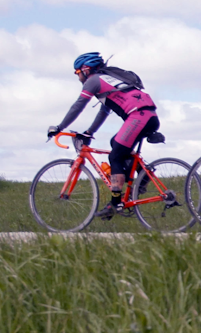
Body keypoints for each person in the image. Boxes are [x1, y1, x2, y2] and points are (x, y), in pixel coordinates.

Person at [49, 52, 160, 219]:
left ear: (86, 69)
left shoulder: (93, 81)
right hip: (149, 115)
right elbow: (104, 111)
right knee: (115, 143)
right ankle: (144, 177)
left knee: (115, 157)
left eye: (77, 72)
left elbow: (78, 105)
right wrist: (89, 132)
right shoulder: (108, 81)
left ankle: (116, 203)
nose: (77, 76)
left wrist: (60, 127)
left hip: (138, 116)